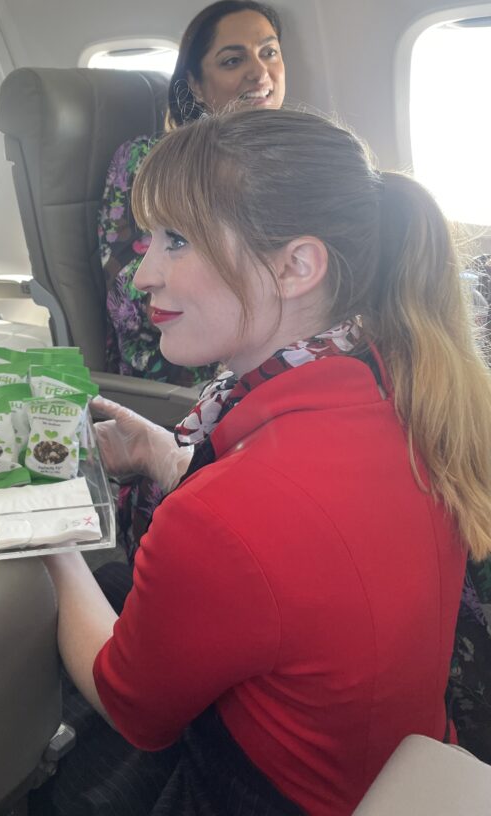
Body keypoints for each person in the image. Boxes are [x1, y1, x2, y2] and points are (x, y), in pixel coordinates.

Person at [34, 109, 491, 816]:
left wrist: (49, 537)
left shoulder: (223, 517)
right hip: (391, 755)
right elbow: (305, 551)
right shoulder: (411, 383)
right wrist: (164, 456)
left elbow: (132, 707)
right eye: (149, 238)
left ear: (296, 266)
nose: (139, 276)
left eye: (176, 241)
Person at [98, 0, 285, 558]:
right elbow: (129, 294)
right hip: (180, 362)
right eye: (233, 60)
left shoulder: (293, 164)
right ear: (196, 86)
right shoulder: (152, 161)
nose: (260, 71)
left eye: (270, 52)